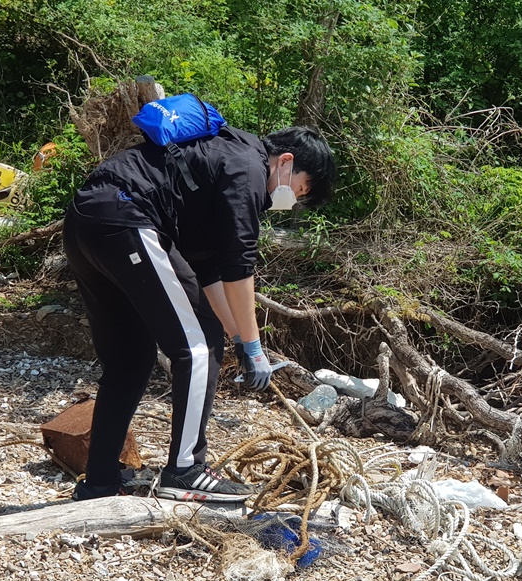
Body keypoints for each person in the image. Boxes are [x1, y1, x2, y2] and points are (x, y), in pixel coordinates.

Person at [62, 121, 336, 503]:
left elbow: (208, 271)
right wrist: (254, 347)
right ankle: (186, 470)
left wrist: (239, 337)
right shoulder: (250, 167)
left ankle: (101, 482)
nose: (292, 198)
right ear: (286, 161)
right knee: (199, 347)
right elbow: (240, 267)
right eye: (300, 188)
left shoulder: (223, 158)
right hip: (128, 219)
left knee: (130, 360)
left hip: (87, 221)